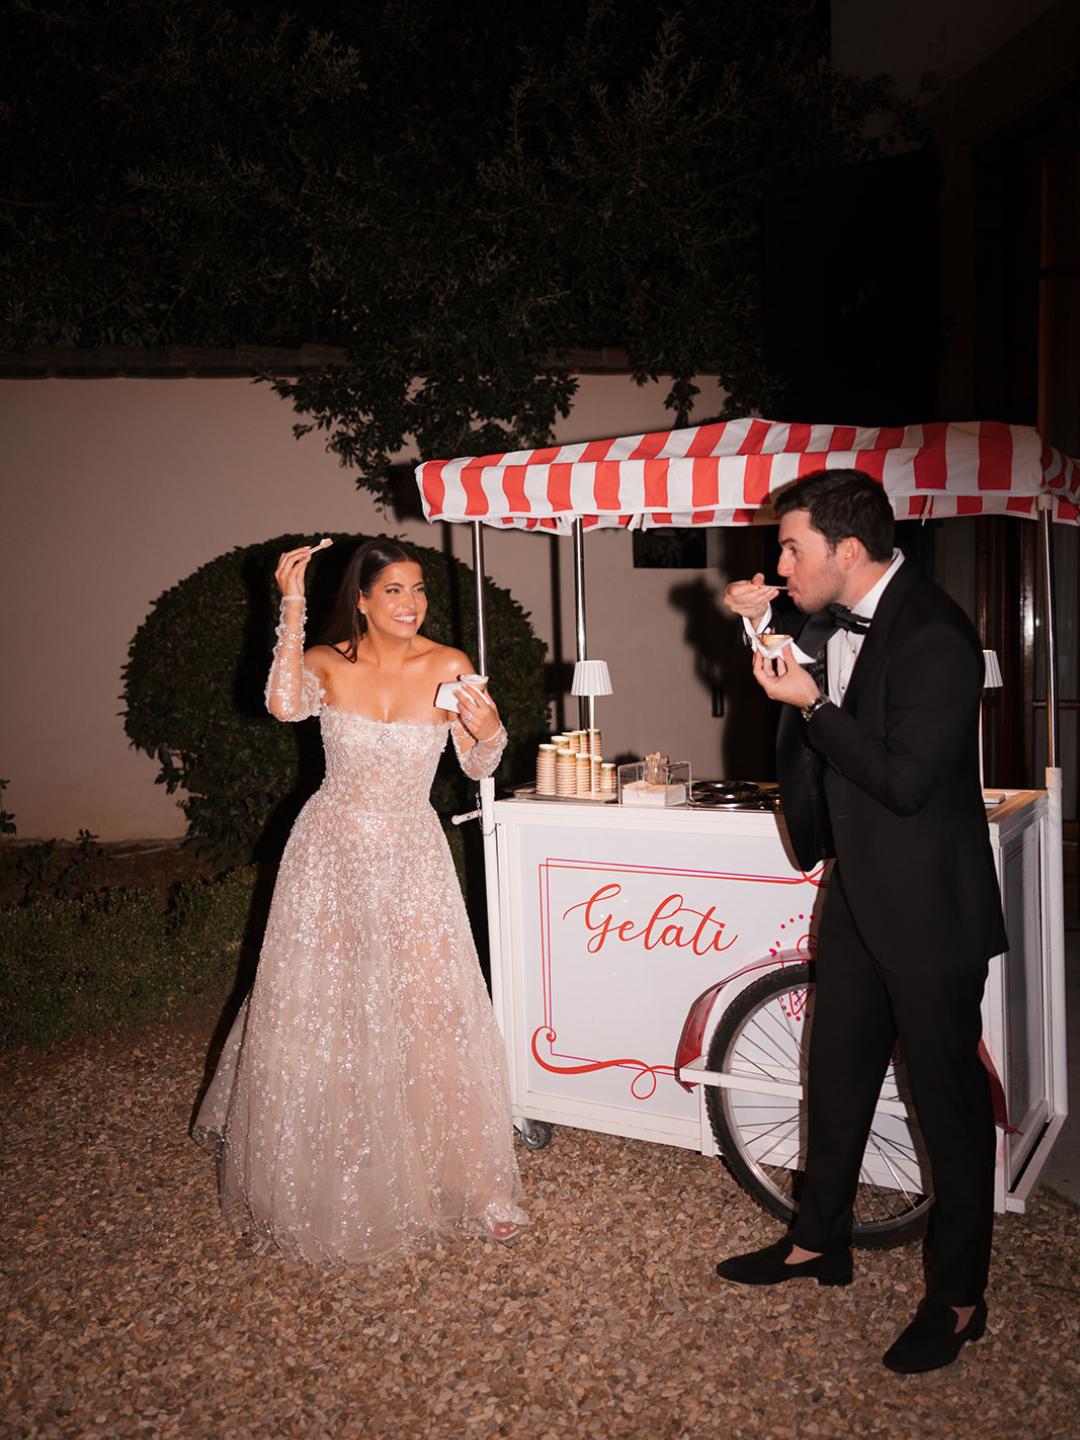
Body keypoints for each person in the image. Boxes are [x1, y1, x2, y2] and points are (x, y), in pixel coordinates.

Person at [716, 470, 1006, 1375]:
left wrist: (817, 709)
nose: (778, 562)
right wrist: (754, 624)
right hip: (854, 894)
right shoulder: (820, 617)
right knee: (834, 1073)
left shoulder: (936, 636)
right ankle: (818, 1240)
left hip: (931, 909)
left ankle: (959, 1300)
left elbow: (906, 782)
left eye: (792, 547)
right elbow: (791, 673)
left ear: (847, 550)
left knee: (947, 1108)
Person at [194, 537, 529, 1262]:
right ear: (365, 600)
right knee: (333, 1001)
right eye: (396, 592)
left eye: (419, 591)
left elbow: (480, 761)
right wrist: (290, 604)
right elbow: (284, 707)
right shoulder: (325, 662)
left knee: (429, 999)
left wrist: (490, 728)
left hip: (411, 849)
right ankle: (334, 1165)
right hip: (331, 848)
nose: (412, 605)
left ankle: (470, 1182)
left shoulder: (448, 665)